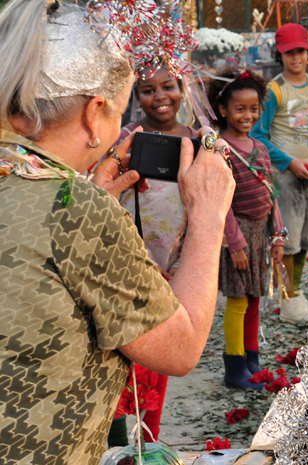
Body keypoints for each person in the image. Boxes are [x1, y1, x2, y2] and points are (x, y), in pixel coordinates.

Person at [0, 2, 234, 464]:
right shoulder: (74, 207)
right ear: (94, 113)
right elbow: (180, 349)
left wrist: (93, 203)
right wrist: (208, 215)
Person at [106, 66, 200, 446]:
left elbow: (206, 209)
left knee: (159, 355)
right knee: (121, 353)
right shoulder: (125, 141)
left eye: (169, 87)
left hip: (171, 268)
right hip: (126, 265)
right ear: (135, 97)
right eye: (147, 90)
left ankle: (150, 440)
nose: (160, 97)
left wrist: (182, 266)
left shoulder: (196, 143)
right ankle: (114, 442)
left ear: (183, 90)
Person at [250, 23, 308, 320]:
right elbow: (258, 135)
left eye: (300, 51)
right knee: (287, 238)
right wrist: (289, 162)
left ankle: (295, 293)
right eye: (289, 53)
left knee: (306, 234)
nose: (295, 57)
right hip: (285, 176)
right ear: (280, 55)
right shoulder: (274, 91)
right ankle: (287, 301)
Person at [207, 67, 286, 389]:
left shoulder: (261, 149)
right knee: (238, 302)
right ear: (223, 109)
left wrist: (277, 234)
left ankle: (252, 360)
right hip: (237, 237)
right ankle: (234, 366)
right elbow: (221, 202)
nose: (248, 115)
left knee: (255, 299)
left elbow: (272, 195)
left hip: (260, 237)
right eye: (240, 109)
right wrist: (235, 243)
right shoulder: (219, 150)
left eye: (254, 109)